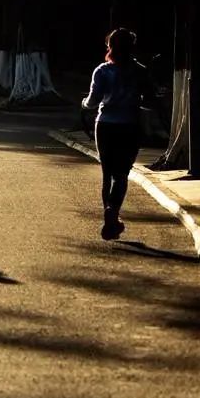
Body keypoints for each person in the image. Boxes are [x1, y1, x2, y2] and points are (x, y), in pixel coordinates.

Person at [81, 28, 152, 240]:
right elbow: (150, 97)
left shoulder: (102, 71)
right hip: (130, 126)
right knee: (121, 174)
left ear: (110, 46)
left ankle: (109, 218)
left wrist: (84, 104)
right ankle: (114, 210)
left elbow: (93, 101)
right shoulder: (140, 70)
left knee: (106, 173)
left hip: (105, 126)